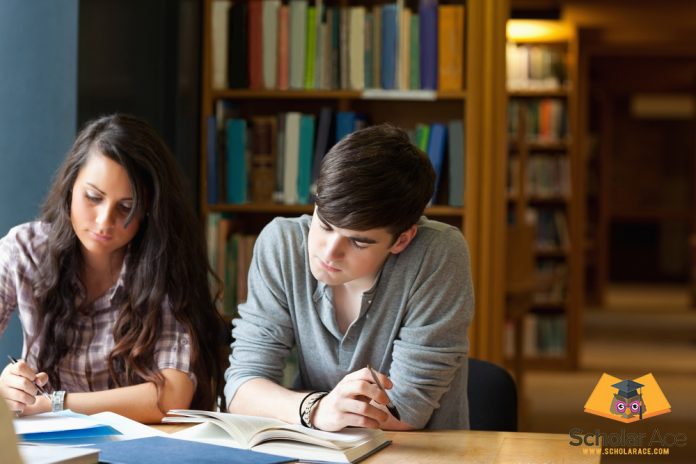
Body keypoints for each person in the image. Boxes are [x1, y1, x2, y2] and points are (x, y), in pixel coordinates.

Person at [225, 124, 474, 431]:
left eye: (358, 242)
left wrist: (300, 408)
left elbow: (407, 411)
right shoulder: (282, 243)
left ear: (401, 241)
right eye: (325, 225)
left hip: (419, 454)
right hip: (316, 450)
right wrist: (315, 410)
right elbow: (241, 388)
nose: (329, 253)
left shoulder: (438, 253)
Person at [0, 114, 225, 422]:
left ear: (148, 210)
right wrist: (8, 389)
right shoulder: (24, 249)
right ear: (70, 187)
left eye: (125, 207)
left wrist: (53, 403)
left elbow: (171, 395)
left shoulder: (164, 265)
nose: (105, 221)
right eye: (93, 197)